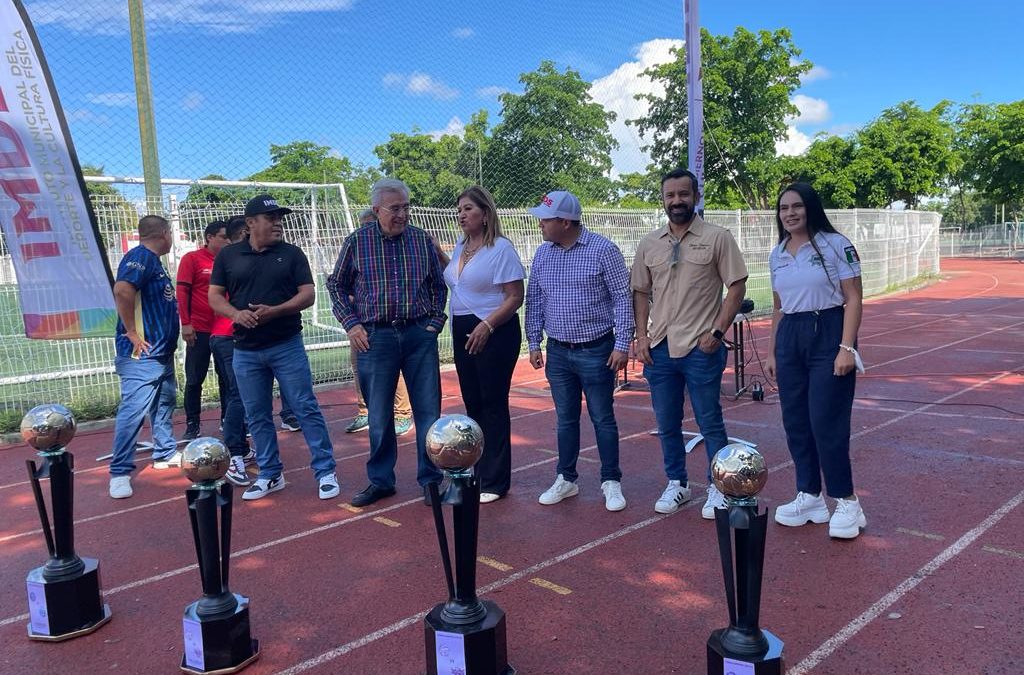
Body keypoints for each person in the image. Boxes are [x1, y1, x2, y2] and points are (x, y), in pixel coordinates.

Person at [631, 168, 748, 519]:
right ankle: (677, 483)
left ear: (696, 197)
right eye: (670, 195)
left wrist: (716, 332)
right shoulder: (650, 243)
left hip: (701, 348)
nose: (677, 201)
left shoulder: (718, 237)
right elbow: (640, 291)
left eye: (684, 194)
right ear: (663, 199)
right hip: (660, 348)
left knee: (709, 420)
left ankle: (719, 487)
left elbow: (737, 286)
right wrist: (641, 336)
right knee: (666, 422)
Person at [209, 195, 339, 501]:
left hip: (286, 345)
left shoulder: (292, 254)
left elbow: (308, 295)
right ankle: (270, 474)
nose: (278, 222)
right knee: (257, 415)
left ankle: (325, 471)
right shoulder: (228, 256)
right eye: (270, 218)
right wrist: (236, 314)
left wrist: (276, 310)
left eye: (279, 217)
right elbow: (215, 296)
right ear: (251, 223)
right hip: (245, 350)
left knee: (305, 407)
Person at [326, 178, 447, 507]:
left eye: (406, 207)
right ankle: (380, 481)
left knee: (427, 412)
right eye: (395, 208)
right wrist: (351, 324)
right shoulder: (357, 241)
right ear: (377, 209)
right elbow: (335, 285)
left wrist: (434, 322)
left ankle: (431, 479)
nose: (403, 214)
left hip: (418, 335)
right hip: (375, 338)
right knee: (379, 415)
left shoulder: (422, 240)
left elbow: (439, 285)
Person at [766, 182, 866, 539]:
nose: (789, 213)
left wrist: (846, 347)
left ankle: (847, 500)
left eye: (796, 206)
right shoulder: (777, 252)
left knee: (827, 422)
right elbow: (778, 308)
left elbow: (853, 299)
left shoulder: (836, 245)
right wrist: (772, 350)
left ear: (811, 207)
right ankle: (809, 495)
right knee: (796, 422)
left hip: (828, 332)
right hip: (791, 337)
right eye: (783, 208)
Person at [525, 190, 633, 512]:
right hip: (558, 351)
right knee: (565, 419)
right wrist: (533, 341)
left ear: (565, 221)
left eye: (545, 219)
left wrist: (622, 343)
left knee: (602, 417)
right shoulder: (543, 254)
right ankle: (566, 478)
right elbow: (536, 300)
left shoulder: (603, 250)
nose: (540, 225)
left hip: (596, 349)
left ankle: (611, 481)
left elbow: (622, 298)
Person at [444, 186, 525, 503]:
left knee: (492, 404)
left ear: (485, 213)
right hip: (463, 330)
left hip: (494, 332)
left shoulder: (501, 249)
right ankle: (478, 470)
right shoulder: (460, 247)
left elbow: (515, 297)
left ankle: (495, 480)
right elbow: (457, 283)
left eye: (468, 209)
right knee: (473, 404)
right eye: (459, 209)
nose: (461, 215)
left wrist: (487, 325)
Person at [108, 215, 180, 499]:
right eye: (170, 233)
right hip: (142, 355)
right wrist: (132, 332)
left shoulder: (154, 262)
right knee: (133, 411)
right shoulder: (140, 257)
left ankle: (164, 452)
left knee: (164, 403)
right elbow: (122, 290)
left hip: (161, 353)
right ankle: (119, 471)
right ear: (164, 233)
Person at [346, 207, 413, 437]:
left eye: (368, 224)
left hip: (382, 323)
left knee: (395, 369)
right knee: (358, 367)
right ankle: (365, 410)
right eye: (362, 225)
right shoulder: (356, 247)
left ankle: (402, 413)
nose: (364, 229)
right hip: (357, 321)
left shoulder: (387, 250)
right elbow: (342, 283)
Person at [209, 216, 256, 486]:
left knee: (236, 395)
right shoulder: (232, 259)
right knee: (239, 395)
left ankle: (241, 447)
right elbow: (215, 299)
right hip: (228, 336)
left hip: (227, 336)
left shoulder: (237, 259)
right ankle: (234, 454)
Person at [177, 220, 230, 440]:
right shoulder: (192, 259)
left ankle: (227, 420)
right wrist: (186, 323)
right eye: (223, 237)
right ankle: (192, 424)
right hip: (198, 329)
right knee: (194, 378)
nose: (227, 241)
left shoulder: (230, 260)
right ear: (210, 237)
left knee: (227, 377)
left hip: (224, 330)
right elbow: (182, 293)